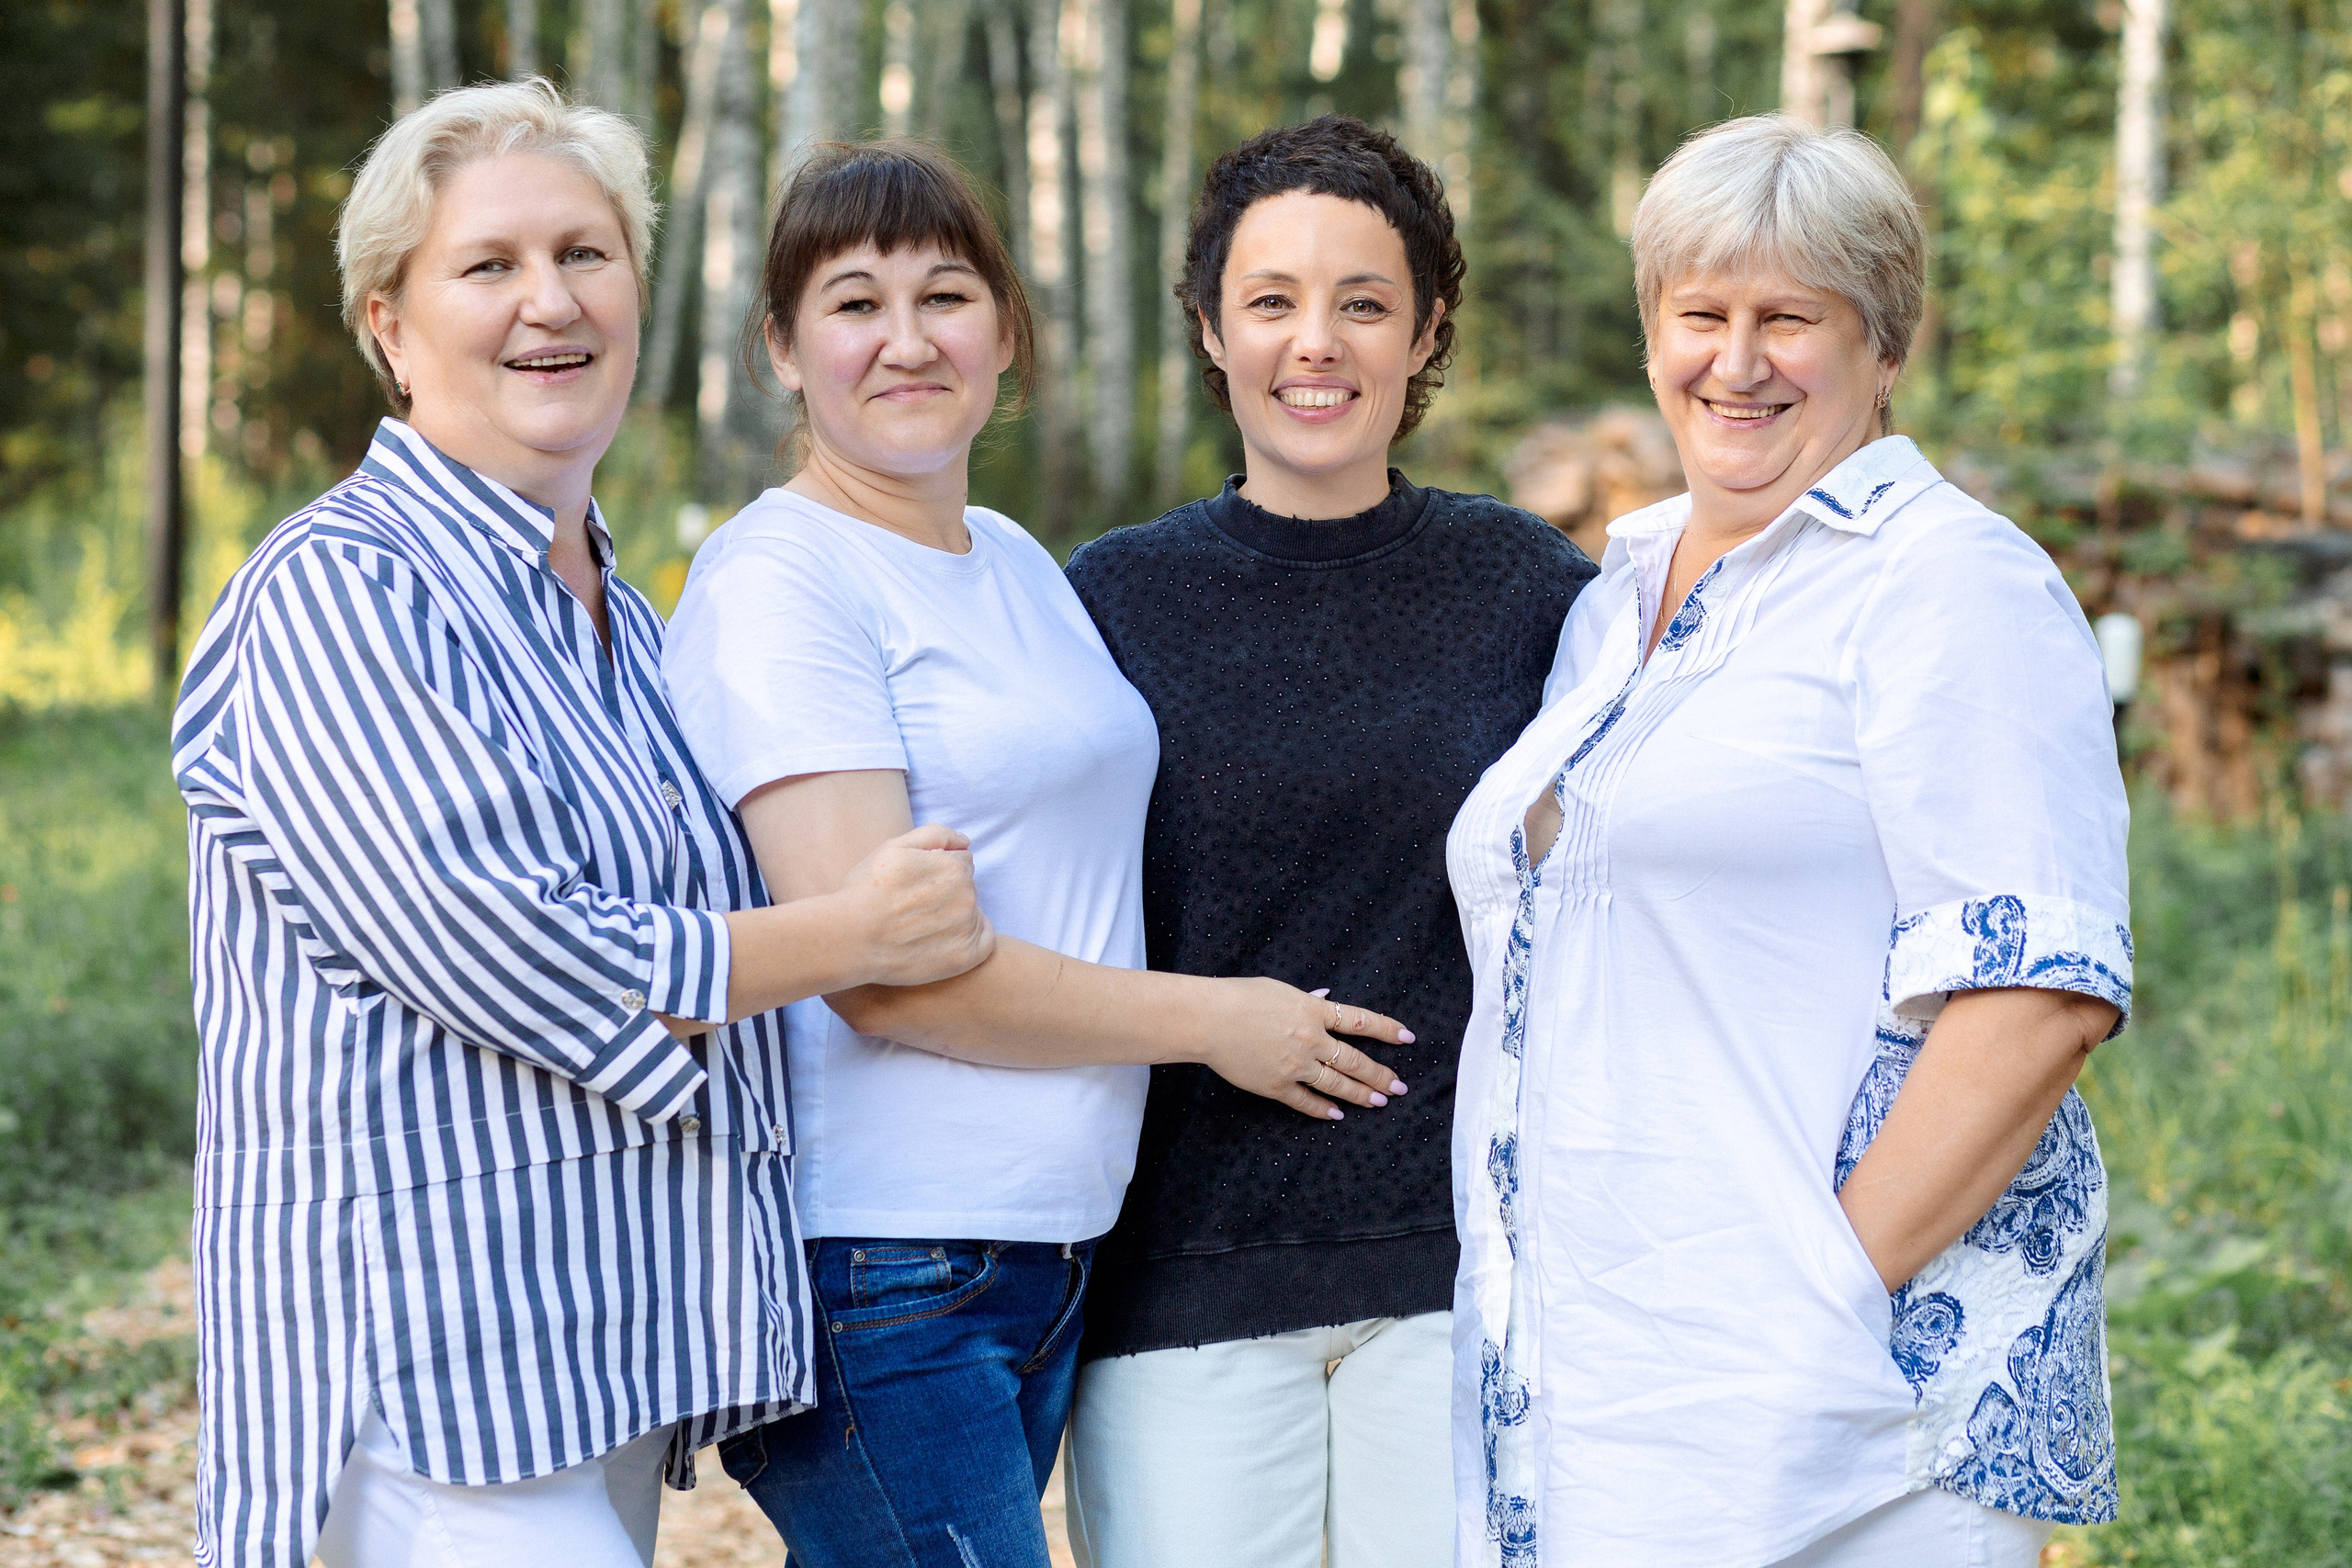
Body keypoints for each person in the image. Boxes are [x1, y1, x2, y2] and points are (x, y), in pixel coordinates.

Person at [171, 82, 998, 1568]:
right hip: (427, 1389)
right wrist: (855, 935)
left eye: (584, 255)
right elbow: (513, 947)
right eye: (488, 266)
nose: (549, 302)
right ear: (390, 325)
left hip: (587, 1365)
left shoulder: (615, 618)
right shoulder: (340, 591)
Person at [657, 141, 1412, 1568]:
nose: (907, 340)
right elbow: (883, 978)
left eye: (945, 295)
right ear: (784, 348)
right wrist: (1219, 1022)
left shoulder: (1009, 558)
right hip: (882, 1264)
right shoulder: (781, 580)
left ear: (1005, 331)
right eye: (854, 303)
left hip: (1047, 1253)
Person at [1445, 114, 2132, 1568]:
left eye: (1791, 320)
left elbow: (2037, 997)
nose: (1738, 362)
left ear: (1885, 347)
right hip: (1607, 1382)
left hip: (1842, 1425)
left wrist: (1811, 1303)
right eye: (1703, 315)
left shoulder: (1948, 584)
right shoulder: (1613, 599)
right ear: (1652, 334)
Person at [1058, 115, 1596, 1568]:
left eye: (1364, 303)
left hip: (1463, 1279)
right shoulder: (1106, 601)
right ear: (1210, 327)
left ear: (1425, 332)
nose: (1317, 342)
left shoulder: (1529, 588)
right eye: (1272, 300)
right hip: (1185, 1287)